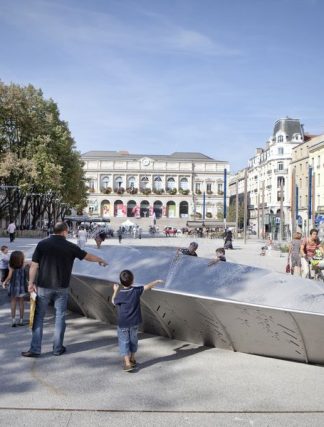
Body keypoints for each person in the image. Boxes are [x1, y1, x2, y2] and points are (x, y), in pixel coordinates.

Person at [21, 222, 108, 358]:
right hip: (62, 287)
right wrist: (100, 259)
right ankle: (57, 348)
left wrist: (30, 283)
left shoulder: (42, 244)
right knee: (60, 317)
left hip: (44, 286)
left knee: (39, 317)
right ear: (65, 232)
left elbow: (34, 266)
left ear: (54, 231)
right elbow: (86, 256)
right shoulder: (70, 246)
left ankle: (35, 349)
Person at [112, 270, 164, 371]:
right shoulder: (136, 291)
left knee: (124, 342)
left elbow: (113, 301)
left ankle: (127, 363)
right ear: (133, 281)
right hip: (134, 322)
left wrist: (115, 290)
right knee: (133, 340)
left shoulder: (121, 295)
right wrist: (156, 281)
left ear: (121, 282)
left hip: (123, 324)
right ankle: (132, 358)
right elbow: (147, 286)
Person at [2, 251, 28, 327]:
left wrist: (4, 282)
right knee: (21, 303)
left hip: (13, 287)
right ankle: (21, 320)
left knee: (13, 302)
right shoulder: (24, 264)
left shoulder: (11, 266)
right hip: (22, 287)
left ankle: (13, 320)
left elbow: (9, 276)